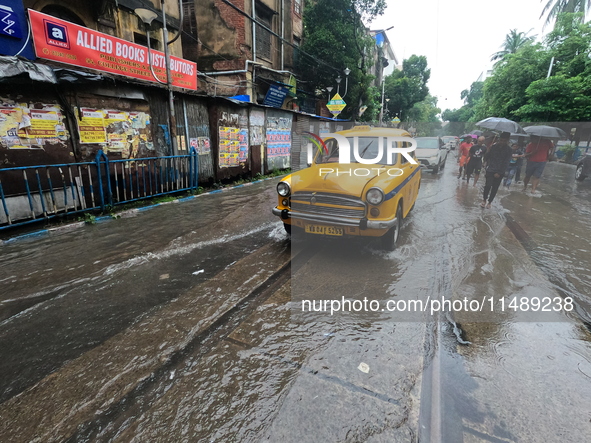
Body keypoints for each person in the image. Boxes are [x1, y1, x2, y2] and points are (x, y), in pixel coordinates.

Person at [481, 132, 513, 208]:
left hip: (500, 171)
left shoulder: (509, 150)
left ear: (507, 141)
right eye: (501, 140)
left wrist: (499, 172)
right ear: (499, 139)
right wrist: (488, 150)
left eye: (504, 141)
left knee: (495, 187)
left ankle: (490, 202)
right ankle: (484, 200)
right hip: (490, 169)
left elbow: (506, 162)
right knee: (487, 185)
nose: (502, 142)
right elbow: (487, 157)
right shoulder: (494, 146)